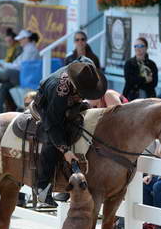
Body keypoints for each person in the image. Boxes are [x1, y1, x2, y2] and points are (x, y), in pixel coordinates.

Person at [34, 58, 107, 206]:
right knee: (53, 137)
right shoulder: (60, 91)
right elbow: (54, 124)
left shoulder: (83, 72)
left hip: (69, 100)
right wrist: (65, 150)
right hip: (47, 103)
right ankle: (42, 186)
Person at [0, 29, 40, 116]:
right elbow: (16, 64)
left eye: (21, 39)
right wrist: (6, 65)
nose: (19, 41)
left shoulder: (30, 49)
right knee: (3, 86)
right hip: (21, 75)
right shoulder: (27, 49)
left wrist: (6, 65)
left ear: (26, 39)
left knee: (5, 74)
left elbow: (21, 66)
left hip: (24, 76)